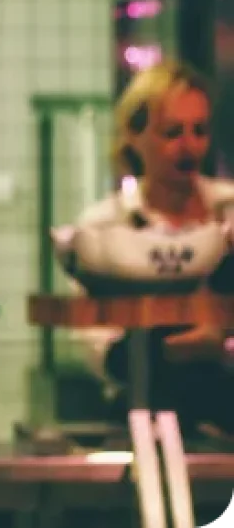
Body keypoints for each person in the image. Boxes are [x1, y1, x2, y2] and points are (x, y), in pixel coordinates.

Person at [74, 60, 234, 434]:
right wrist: (167, 349)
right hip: (142, 417)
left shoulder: (228, 211)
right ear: (134, 135)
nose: (188, 147)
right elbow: (98, 348)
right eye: (172, 132)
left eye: (199, 131)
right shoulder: (105, 228)